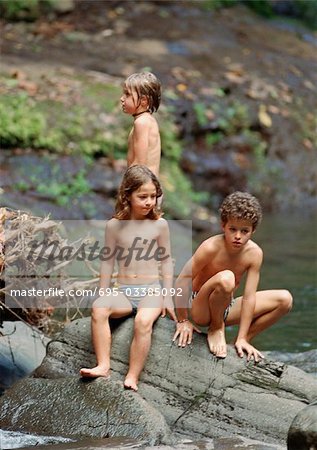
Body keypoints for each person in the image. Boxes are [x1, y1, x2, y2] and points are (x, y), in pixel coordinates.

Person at [80, 165, 176, 391]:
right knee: (99, 308)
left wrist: (169, 296)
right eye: (142, 196)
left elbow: (166, 262)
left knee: (143, 322)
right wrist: (104, 292)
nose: (149, 202)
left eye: (153, 196)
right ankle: (104, 365)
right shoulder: (115, 226)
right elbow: (108, 261)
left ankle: (132, 376)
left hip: (151, 291)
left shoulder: (159, 225)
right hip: (123, 291)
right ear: (127, 196)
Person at [173, 191, 293, 361]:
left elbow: (249, 298)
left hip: (224, 307)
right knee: (226, 278)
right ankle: (216, 328)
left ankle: (240, 341)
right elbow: (183, 279)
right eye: (233, 229)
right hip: (198, 306)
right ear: (223, 225)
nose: (238, 236)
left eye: (245, 231)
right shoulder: (211, 247)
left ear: (253, 230)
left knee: (285, 299)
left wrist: (243, 336)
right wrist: (183, 319)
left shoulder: (255, 253)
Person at [120, 72, 161, 178]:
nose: (122, 98)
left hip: (143, 185)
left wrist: (126, 188)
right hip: (150, 186)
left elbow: (139, 164)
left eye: (127, 94)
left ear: (144, 100)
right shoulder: (148, 120)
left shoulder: (141, 123)